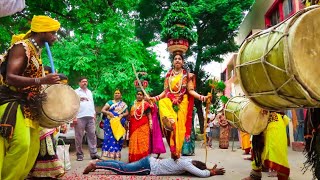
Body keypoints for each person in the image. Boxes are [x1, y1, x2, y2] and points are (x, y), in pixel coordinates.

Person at [0, 15, 60, 180]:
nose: (55, 36)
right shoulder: (22, 47)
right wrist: (42, 80)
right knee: (21, 145)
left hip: (29, 106)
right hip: (12, 103)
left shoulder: (36, 52)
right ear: (42, 32)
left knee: (32, 150)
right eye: (53, 33)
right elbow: (10, 77)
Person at [150, 52, 211, 160]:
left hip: (182, 103)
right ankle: (170, 125)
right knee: (163, 103)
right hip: (170, 100)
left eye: (179, 59)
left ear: (182, 62)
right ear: (173, 62)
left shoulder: (187, 75)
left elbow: (191, 91)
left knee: (179, 129)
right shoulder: (168, 76)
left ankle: (176, 152)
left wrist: (203, 97)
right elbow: (165, 92)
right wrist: (155, 98)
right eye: (175, 59)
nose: (177, 60)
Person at [30, 66, 67, 178]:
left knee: (48, 144)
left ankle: (46, 171)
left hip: (49, 122)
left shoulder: (55, 90)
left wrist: (63, 122)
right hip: (37, 120)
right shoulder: (38, 87)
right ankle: (39, 171)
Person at [243, 111, 290, 180]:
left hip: (275, 119)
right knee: (257, 147)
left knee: (277, 149)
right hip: (259, 117)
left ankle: (283, 177)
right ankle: (255, 174)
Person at [83, 156, 226, 178]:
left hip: (149, 161)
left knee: (123, 165)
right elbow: (201, 174)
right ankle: (96, 164)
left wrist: (206, 167)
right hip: (149, 167)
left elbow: (198, 168)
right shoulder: (186, 164)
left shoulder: (186, 158)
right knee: (123, 169)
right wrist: (212, 172)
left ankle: (100, 162)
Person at [74, 77, 100, 161]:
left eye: (86, 81)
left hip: (90, 116)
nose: (85, 83)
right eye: (83, 82)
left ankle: (93, 154)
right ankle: (79, 154)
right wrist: (74, 117)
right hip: (79, 116)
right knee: (79, 136)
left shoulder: (89, 92)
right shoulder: (75, 92)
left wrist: (94, 113)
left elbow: (92, 103)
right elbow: (72, 104)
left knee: (92, 135)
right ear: (79, 83)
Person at [100, 89, 128, 160]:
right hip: (110, 124)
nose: (117, 94)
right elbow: (103, 110)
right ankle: (107, 157)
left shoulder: (123, 104)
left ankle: (116, 156)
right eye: (115, 93)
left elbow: (127, 113)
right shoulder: (110, 102)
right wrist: (108, 113)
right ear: (113, 95)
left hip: (118, 124)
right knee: (109, 138)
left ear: (121, 95)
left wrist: (122, 115)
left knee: (118, 138)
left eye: (118, 93)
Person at [128, 90, 152, 162]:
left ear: (143, 96)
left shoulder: (146, 104)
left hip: (143, 126)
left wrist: (151, 123)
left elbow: (149, 114)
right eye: (138, 94)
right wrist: (127, 122)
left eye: (141, 94)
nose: (139, 96)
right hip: (133, 126)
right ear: (136, 95)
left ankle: (143, 160)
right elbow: (130, 115)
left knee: (143, 142)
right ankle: (133, 159)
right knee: (133, 142)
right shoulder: (132, 103)